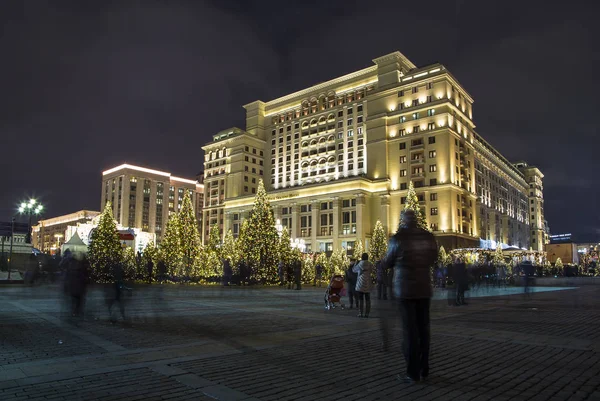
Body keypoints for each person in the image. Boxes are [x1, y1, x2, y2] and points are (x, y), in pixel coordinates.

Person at [381, 209, 438, 384]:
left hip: (404, 290)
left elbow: (387, 261)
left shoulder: (397, 238)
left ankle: (412, 373)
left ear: (403, 221)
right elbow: (434, 258)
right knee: (424, 329)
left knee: (410, 331)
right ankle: (424, 368)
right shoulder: (428, 237)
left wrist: (383, 264)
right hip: (423, 288)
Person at [353, 253, 374, 318]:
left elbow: (354, 270)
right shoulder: (370, 264)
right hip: (367, 283)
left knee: (360, 299)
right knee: (368, 299)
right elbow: (372, 271)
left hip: (360, 284)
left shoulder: (359, 264)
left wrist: (355, 263)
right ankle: (367, 313)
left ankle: (360, 313)